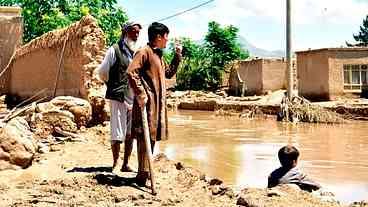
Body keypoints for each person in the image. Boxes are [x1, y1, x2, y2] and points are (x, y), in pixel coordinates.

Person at [127, 22, 182, 186]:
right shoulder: (144, 51)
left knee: (151, 137)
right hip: (147, 104)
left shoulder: (158, 55)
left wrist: (177, 56)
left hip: (156, 104)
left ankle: (145, 171)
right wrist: (141, 94)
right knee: (145, 138)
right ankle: (142, 174)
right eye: (166, 37)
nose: (167, 40)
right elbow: (131, 71)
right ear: (158, 37)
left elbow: (169, 73)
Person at [97, 22, 142, 173]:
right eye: (133, 32)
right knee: (117, 132)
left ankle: (126, 164)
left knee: (130, 133)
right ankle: (115, 163)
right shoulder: (114, 50)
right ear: (125, 32)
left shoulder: (136, 51)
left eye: (137, 33)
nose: (136, 35)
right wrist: (112, 84)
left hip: (133, 97)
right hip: (118, 97)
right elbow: (102, 71)